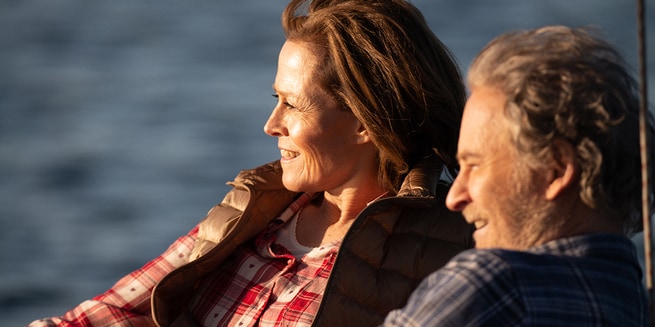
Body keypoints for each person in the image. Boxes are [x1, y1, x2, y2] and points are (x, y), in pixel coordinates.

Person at [29, 0, 474, 326]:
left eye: (292, 105)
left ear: (364, 123)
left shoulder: (447, 250)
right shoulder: (258, 210)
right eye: (273, 99)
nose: (271, 124)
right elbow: (106, 316)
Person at [383, 25, 654, 326]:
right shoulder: (633, 304)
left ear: (556, 170)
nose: (455, 197)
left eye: (473, 165)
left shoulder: (492, 284)